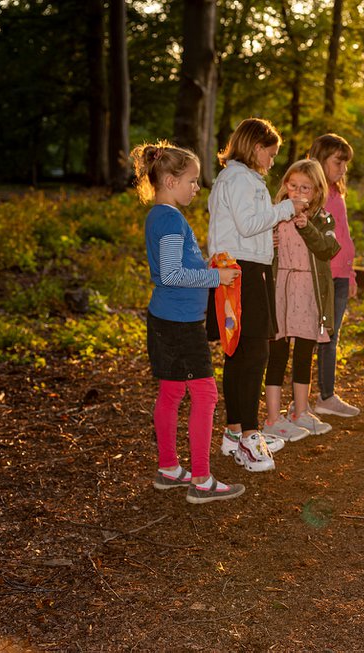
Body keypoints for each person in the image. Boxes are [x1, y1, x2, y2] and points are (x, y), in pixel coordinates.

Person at [132, 140, 244, 504]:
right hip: (179, 323)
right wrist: (217, 279)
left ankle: (168, 469)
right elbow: (170, 273)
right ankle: (201, 479)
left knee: (172, 391)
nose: (197, 187)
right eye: (192, 180)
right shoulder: (168, 218)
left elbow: (180, 267)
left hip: (170, 319)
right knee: (206, 393)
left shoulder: (163, 217)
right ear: (169, 180)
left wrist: (208, 266)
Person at [208, 118, 309, 473]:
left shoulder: (241, 178)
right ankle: (250, 436)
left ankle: (235, 432)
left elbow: (245, 227)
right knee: (252, 352)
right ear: (255, 148)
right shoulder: (238, 178)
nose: (272, 160)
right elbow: (249, 223)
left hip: (245, 267)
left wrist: (269, 238)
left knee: (241, 352)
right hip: (242, 273)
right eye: (271, 153)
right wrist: (287, 207)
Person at [262, 159, 341, 442]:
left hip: (309, 292)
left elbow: (328, 248)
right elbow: (259, 246)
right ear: (285, 185)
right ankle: (273, 418)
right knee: (278, 353)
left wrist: (307, 226)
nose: (296, 192)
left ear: (317, 190)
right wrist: (265, 242)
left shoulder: (323, 218)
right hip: (280, 289)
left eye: (304, 187)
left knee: (305, 352)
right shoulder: (273, 215)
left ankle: (300, 411)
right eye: (292, 185)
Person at [306, 134, 361, 418]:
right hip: (322, 276)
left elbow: (345, 235)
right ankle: (314, 398)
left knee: (331, 336)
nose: (343, 168)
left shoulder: (337, 194)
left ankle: (326, 395)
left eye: (345, 163)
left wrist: (350, 275)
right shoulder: (312, 193)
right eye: (338, 162)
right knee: (318, 336)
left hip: (341, 276)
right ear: (320, 159)